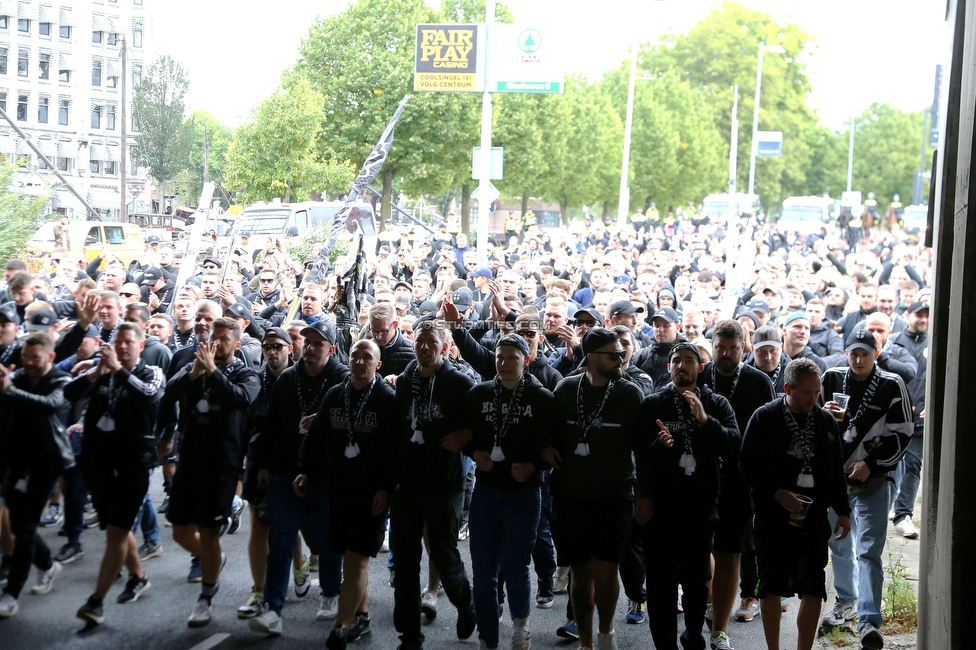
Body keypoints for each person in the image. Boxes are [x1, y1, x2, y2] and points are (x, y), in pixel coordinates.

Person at [544, 328, 667, 650]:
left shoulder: (629, 394)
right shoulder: (566, 389)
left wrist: (645, 495)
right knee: (579, 573)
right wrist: (545, 449)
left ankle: (606, 632)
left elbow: (643, 449)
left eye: (621, 354)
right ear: (592, 357)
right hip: (570, 496)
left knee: (606, 570)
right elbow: (549, 434)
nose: (620, 359)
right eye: (613, 355)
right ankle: (585, 641)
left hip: (614, 495)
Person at [293, 339, 400, 649]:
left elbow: (395, 451)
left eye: (368, 357)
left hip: (371, 493)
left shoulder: (385, 399)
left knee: (357, 560)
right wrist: (305, 469)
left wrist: (386, 488)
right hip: (338, 489)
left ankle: (341, 626)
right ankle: (361, 614)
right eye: (356, 355)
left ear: (377, 365)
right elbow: (316, 437)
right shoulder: (336, 394)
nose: (360, 361)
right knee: (349, 558)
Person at [739, 358, 852, 650]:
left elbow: (835, 468)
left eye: (817, 393)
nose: (813, 399)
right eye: (806, 392)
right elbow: (746, 465)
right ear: (788, 388)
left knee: (813, 586)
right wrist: (775, 491)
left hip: (813, 517)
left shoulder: (825, 420)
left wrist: (843, 510)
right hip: (772, 515)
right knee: (772, 585)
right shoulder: (765, 417)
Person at [247, 320, 348, 635]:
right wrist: (264, 464)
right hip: (288, 469)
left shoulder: (341, 378)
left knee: (328, 539)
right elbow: (272, 425)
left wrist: (323, 419)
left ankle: (331, 593)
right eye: (308, 342)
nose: (312, 348)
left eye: (319, 343)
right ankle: (272, 609)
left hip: (325, 471)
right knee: (281, 540)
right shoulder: (288, 379)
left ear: (331, 349)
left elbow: (350, 420)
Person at [161, 317, 261, 627]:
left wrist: (214, 372)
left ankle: (205, 597)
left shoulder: (247, 374)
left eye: (223, 339)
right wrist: (194, 372)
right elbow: (170, 392)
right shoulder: (196, 367)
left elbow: (239, 398)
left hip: (223, 463)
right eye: (212, 338)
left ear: (237, 344)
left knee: (207, 530)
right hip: (190, 458)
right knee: (179, 530)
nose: (215, 344)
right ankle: (213, 560)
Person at [464, 334, 561, 650]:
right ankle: (487, 638)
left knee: (516, 566)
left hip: (524, 494)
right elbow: (464, 434)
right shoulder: (479, 394)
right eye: (499, 357)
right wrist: (473, 452)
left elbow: (554, 447)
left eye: (512, 358)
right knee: (483, 571)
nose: (504, 364)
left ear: (526, 360)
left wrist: (533, 466)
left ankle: (521, 627)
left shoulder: (541, 397)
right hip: (486, 492)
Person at [640, 342, 739, 650]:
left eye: (688, 361)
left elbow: (734, 444)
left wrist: (706, 422)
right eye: (676, 361)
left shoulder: (717, 403)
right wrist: (658, 447)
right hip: (661, 509)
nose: (681, 366)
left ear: (701, 368)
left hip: (701, 507)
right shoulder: (653, 403)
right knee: (660, 587)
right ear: (668, 367)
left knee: (697, 583)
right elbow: (637, 455)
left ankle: (693, 635)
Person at [65, 323, 165, 626]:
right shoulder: (102, 371)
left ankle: (96, 602)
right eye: (117, 342)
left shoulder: (151, 372)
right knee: (114, 528)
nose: (122, 347)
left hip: (133, 464)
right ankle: (137, 577)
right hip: (99, 462)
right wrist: (97, 373)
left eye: (128, 342)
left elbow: (148, 395)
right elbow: (70, 392)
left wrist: (119, 370)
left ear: (140, 344)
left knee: (117, 533)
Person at [820, 330, 913, 649]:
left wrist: (871, 463)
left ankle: (869, 621)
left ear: (877, 353)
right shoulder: (832, 378)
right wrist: (826, 417)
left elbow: (904, 433)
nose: (858, 360)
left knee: (868, 548)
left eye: (865, 354)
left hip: (874, 479)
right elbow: (812, 425)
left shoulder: (891, 384)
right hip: (836, 479)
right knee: (839, 545)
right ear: (846, 353)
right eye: (853, 354)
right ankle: (846, 601)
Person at [390, 319, 477, 650]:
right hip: (408, 484)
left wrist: (468, 434)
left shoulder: (458, 382)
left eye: (431, 342)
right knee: (405, 560)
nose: (424, 347)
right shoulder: (405, 380)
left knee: (444, 555)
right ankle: (409, 635)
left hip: (445, 483)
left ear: (444, 346)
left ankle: (465, 604)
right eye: (420, 341)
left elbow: (479, 421)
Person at [698, 320, 776, 650]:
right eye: (720, 348)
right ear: (712, 346)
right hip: (699, 478)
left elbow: (770, 432)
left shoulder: (758, 381)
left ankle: (720, 629)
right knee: (699, 552)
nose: (726, 354)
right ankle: (710, 602)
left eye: (732, 348)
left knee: (730, 553)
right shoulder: (700, 376)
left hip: (740, 481)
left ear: (743, 347)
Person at [0, 332, 74, 618]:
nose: (29, 363)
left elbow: (50, 404)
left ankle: (11, 594)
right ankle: (47, 565)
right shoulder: (17, 378)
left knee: (25, 529)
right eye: (26, 357)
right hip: (16, 463)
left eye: (35, 358)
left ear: (50, 357)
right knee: (19, 525)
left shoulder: (60, 380)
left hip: (46, 465)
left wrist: (10, 391)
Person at [887, 302, 929, 539]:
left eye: (926, 316)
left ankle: (903, 515)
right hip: (893, 415)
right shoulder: (894, 341)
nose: (923, 319)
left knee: (913, 465)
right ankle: (889, 505)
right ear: (908, 315)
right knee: (890, 464)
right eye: (919, 315)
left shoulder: (934, 342)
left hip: (920, 416)